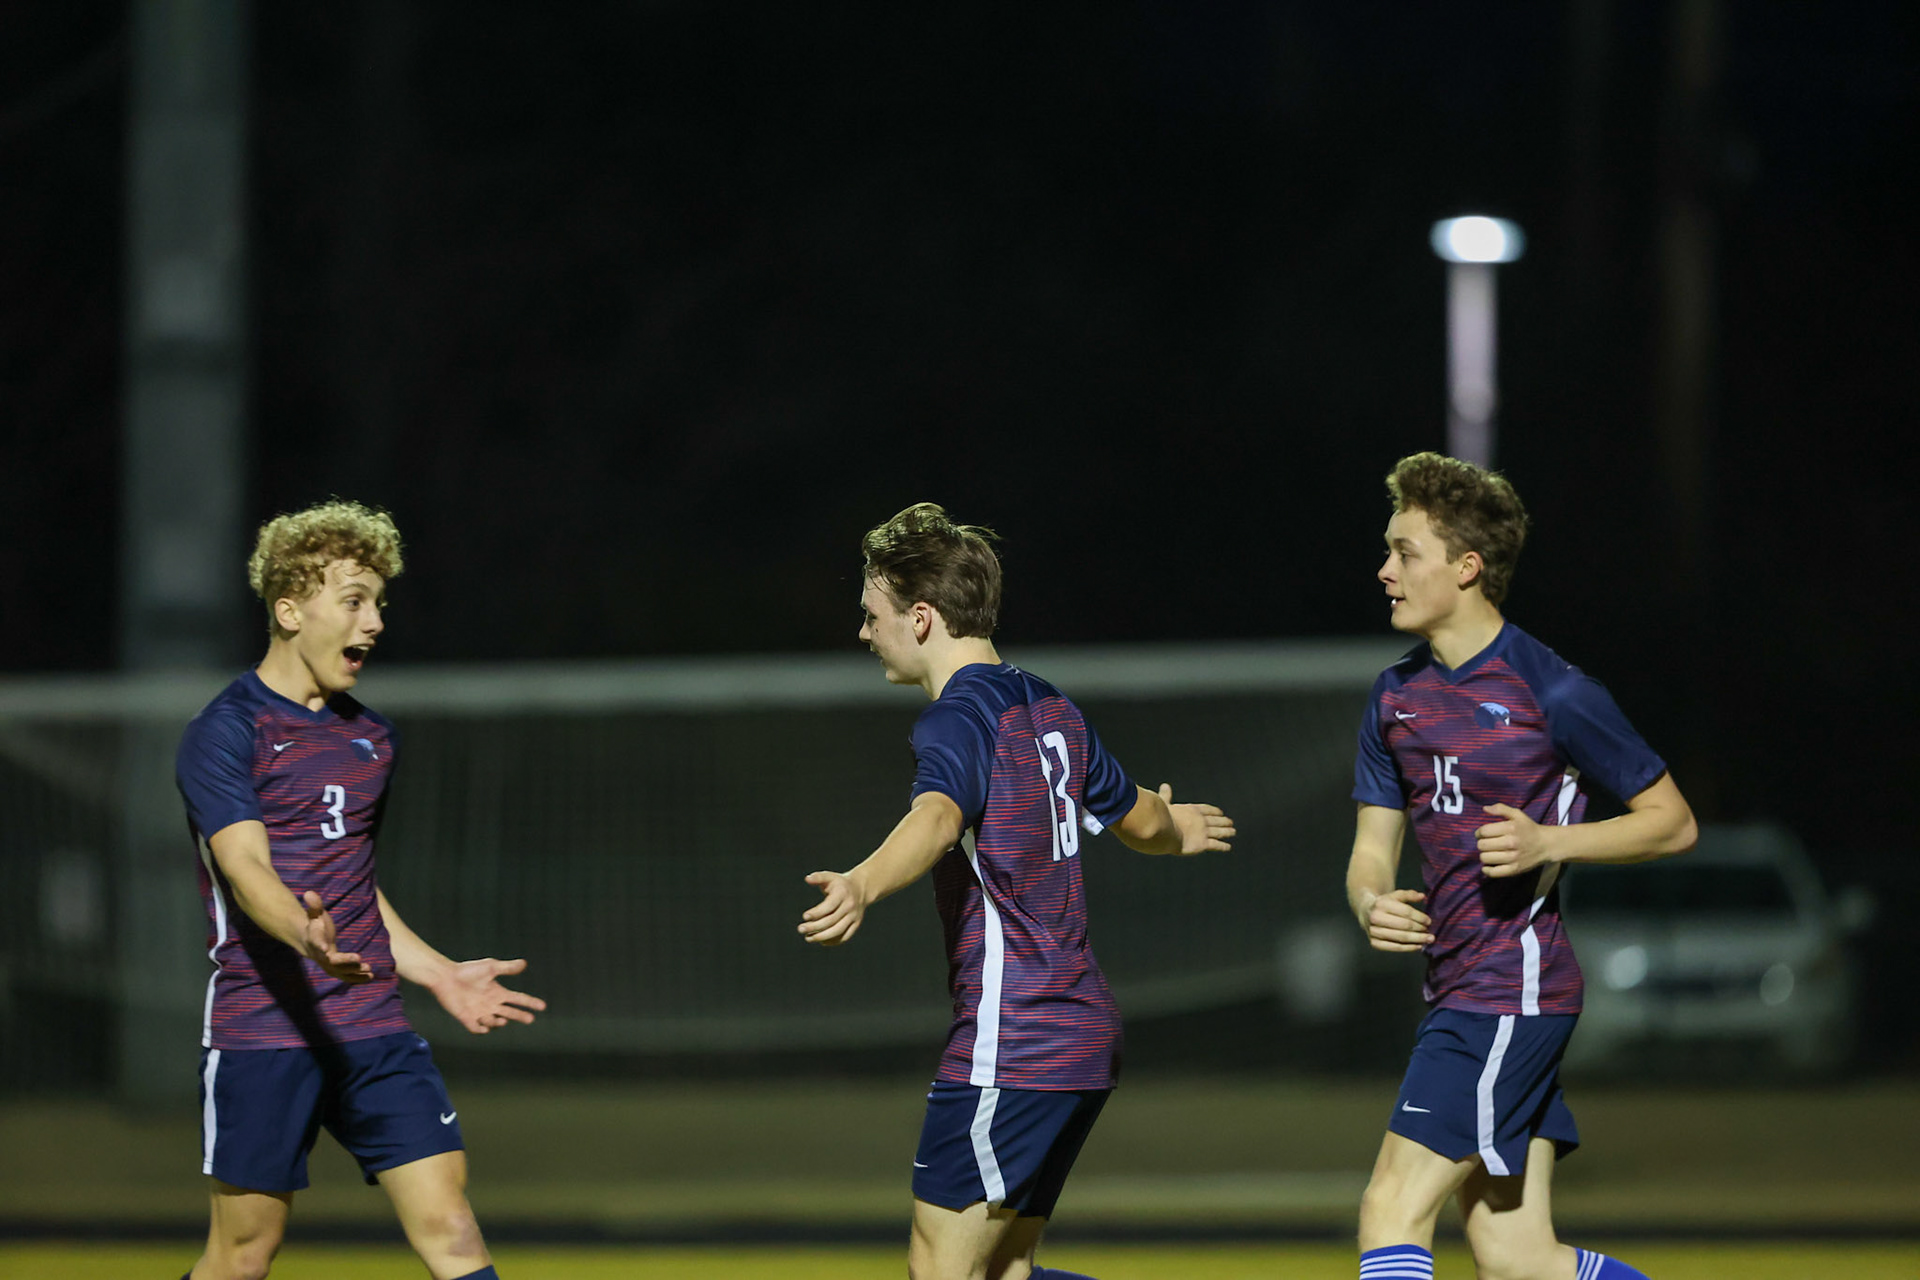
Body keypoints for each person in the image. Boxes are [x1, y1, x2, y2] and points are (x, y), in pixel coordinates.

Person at [799, 502, 1236, 1280]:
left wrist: (862, 883)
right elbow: (1136, 816)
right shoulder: (1049, 705)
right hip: (1081, 1035)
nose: (865, 634)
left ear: (922, 616)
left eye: (873, 615)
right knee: (1003, 1273)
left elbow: (936, 816)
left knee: (943, 1272)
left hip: (1017, 1039)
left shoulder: (956, 719)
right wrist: (1179, 827)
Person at [1346, 453, 1698, 1280]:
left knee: (1391, 1206)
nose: (1385, 571)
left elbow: (1673, 823)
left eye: (1405, 553)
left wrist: (1552, 843)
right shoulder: (1393, 697)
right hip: (1462, 987)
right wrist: (1368, 901)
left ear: (1466, 568)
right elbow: (1370, 851)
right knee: (1517, 1258)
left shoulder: (1557, 691)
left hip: (1510, 989)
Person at [174, 500, 545, 1280]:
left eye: (378, 602)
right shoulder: (226, 731)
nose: (373, 623)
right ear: (288, 610)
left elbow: (353, 883)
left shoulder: (370, 739)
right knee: (243, 1254)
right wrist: (303, 932)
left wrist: (439, 971)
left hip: (370, 1024)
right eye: (353, 601)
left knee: (451, 1226)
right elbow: (247, 873)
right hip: (264, 1031)